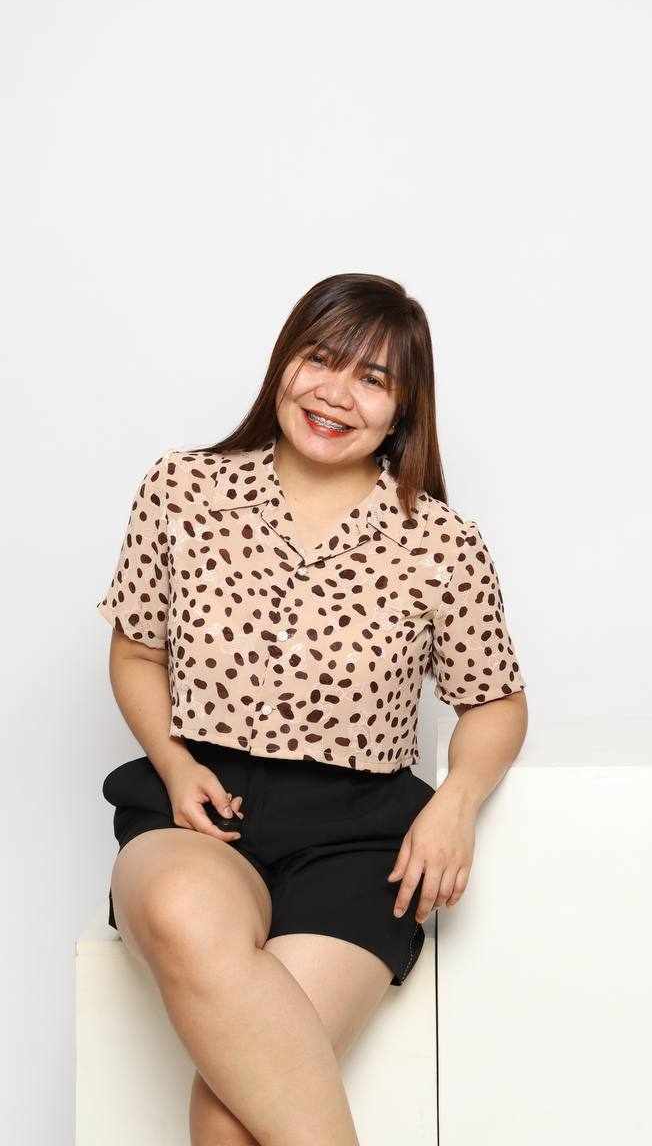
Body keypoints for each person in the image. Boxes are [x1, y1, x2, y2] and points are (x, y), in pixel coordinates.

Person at [96, 272, 528, 1146]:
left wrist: (455, 803)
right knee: (180, 911)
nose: (336, 393)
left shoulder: (442, 542)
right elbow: (137, 653)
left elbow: (494, 702)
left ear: (402, 409)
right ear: (283, 365)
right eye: (321, 360)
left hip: (360, 837)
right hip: (199, 808)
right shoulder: (182, 490)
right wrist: (174, 765)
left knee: (230, 1116)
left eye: (372, 378)